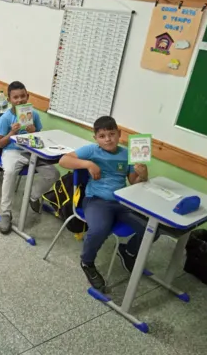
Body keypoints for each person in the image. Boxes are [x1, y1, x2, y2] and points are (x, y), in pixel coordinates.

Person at [58, 116, 153, 290]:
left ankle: (128, 251)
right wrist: (87, 164)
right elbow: (63, 160)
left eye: (111, 134)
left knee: (152, 229)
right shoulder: (92, 150)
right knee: (100, 229)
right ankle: (87, 262)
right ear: (96, 138)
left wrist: (143, 175)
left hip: (123, 202)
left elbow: (134, 182)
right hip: (96, 200)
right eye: (102, 136)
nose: (108, 139)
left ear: (119, 134)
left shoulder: (127, 154)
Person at [0, 81, 60, 234]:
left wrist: (34, 131)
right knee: (10, 173)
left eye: (22, 96)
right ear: (9, 99)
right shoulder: (5, 118)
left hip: (32, 152)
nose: (19, 100)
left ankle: (33, 194)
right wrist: (12, 133)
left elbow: (40, 136)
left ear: (27, 96)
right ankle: (6, 212)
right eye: (15, 97)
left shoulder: (34, 114)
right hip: (12, 151)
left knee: (54, 174)